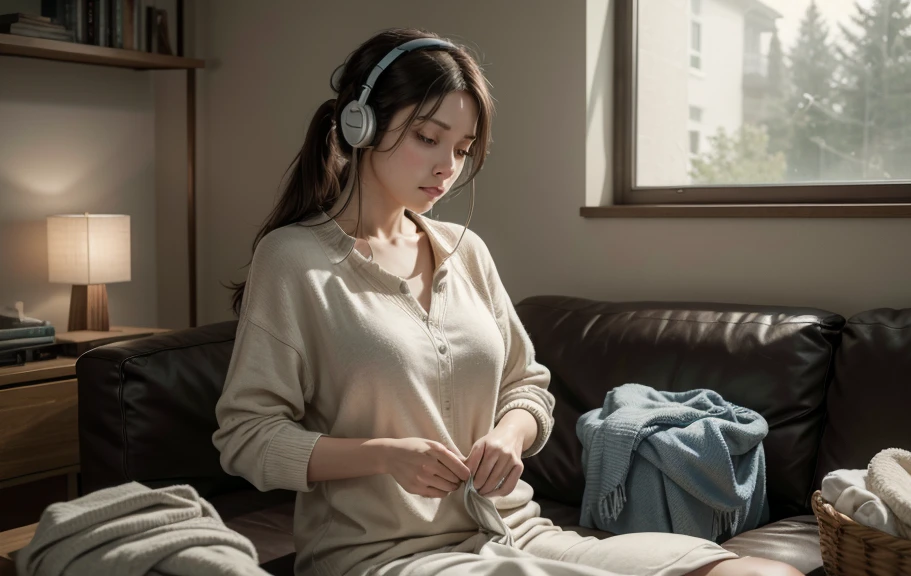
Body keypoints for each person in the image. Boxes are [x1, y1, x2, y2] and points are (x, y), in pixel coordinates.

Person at [212, 27, 802, 576]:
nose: (448, 166)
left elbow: (528, 386)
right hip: (385, 555)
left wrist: (510, 436)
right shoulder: (293, 262)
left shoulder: (466, 252)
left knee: (749, 570)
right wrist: (384, 456)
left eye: (463, 148)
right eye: (427, 137)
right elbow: (246, 437)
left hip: (518, 531)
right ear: (360, 125)